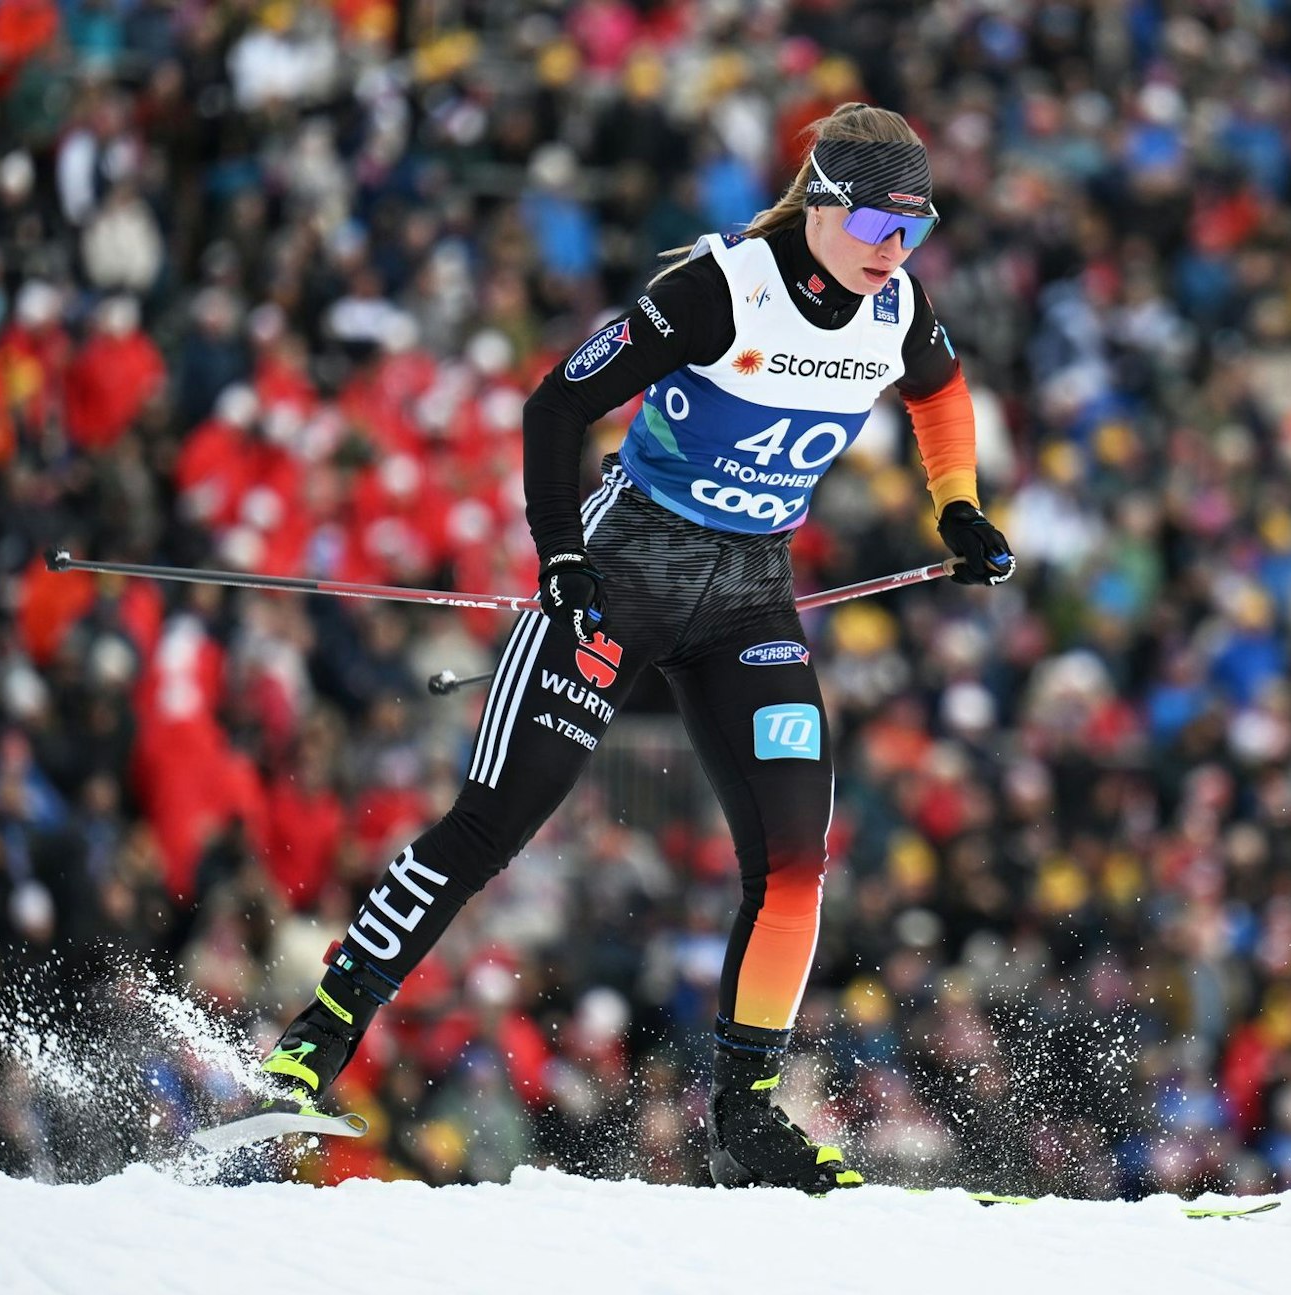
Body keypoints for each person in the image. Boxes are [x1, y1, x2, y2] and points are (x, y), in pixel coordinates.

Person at [252, 104, 1016, 1191]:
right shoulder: (721, 290)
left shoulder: (892, 304)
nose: (896, 257)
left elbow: (938, 396)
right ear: (827, 208)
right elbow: (553, 409)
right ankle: (312, 1045)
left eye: (916, 234)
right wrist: (559, 554)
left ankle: (746, 1114)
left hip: (748, 600)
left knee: (796, 860)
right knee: (491, 823)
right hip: (623, 580)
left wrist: (958, 511)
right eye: (881, 230)